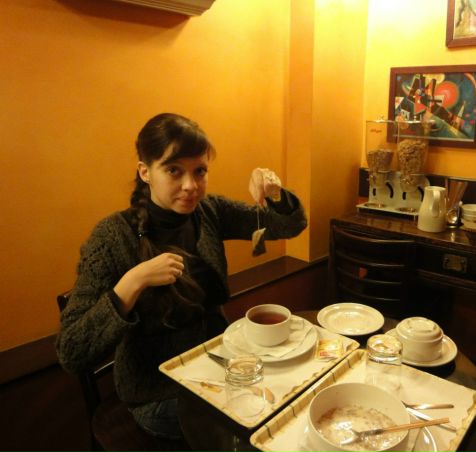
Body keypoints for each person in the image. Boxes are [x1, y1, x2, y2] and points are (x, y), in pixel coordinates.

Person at [56, 113, 307, 439]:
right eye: (174, 170)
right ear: (145, 172)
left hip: (219, 365)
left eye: (199, 171)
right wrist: (132, 282)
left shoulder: (208, 211)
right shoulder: (112, 237)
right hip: (159, 392)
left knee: (293, 391)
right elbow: (72, 352)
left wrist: (274, 193)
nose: (191, 186)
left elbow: (288, 225)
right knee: (259, 422)